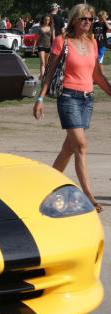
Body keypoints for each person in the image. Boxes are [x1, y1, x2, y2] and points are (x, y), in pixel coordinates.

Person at [33, 3, 111, 213]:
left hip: (87, 99)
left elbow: (97, 76)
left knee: (69, 149)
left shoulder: (93, 43)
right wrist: (40, 98)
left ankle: (47, 185)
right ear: (75, 20)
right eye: (84, 19)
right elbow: (49, 72)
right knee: (81, 146)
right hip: (68, 97)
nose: (87, 22)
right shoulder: (62, 41)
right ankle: (89, 196)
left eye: (91, 19)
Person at [35, 15, 55, 80]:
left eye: (48, 20)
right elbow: (36, 38)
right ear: (43, 20)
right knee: (42, 62)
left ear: (50, 21)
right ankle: (42, 75)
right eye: (45, 19)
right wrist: (33, 46)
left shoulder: (52, 28)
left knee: (46, 63)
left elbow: (53, 39)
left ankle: (45, 75)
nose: (47, 21)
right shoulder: (40, 28)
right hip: (41, 46)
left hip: (48, 47)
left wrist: (54, 47)